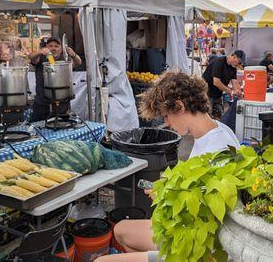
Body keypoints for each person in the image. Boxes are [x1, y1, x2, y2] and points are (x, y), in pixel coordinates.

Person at [95, 71, 240, 262]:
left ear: (179, 107)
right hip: (190, 233)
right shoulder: (216, 131)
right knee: (121, 230)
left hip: (199, 248)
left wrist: (165, 197)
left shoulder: (218, 150)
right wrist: (168, 188)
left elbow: (203, 216)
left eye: (166, 116)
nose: (167, 123)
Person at [29, 36, 82, 122]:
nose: (53, 48)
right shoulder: (40, 59)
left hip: (61, 104)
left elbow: (78, 62)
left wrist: (74, 55)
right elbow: (31, 57)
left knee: (62, 130)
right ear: (46, 48)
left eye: (56, 46)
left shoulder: (65, 59)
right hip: (42, 104)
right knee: (38, 130)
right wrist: (39, 52)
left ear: (61, 49)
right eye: (50, 46)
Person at [201, 50, 244, 119]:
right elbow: (216, 82)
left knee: (220, 118)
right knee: (206, 118)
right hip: (207, 93)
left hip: (218, 94)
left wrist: (239, 94)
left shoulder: (233, 68)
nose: (239, 65)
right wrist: (230, 91)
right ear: (234, 57)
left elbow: (235, 83)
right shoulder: (220, 61)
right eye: (239, 62)